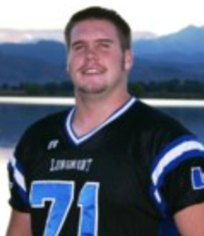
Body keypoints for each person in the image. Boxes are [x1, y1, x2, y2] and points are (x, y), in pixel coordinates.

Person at [6, 6, 204, 236]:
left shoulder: (167, 145)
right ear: (68, 61)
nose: (90, 55)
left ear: (127, 59)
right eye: (79, 47)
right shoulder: (36, 140)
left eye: (104, 45)